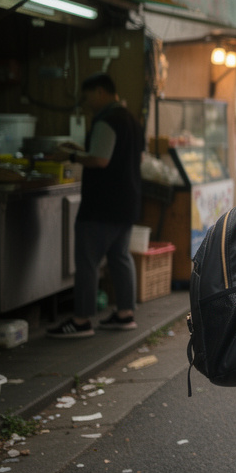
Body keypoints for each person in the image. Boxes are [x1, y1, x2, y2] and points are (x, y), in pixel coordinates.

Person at [48, 74, 144, 338]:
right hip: (127, 202)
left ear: (100, 92)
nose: (87, 103)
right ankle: (125, 314)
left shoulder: (108, 119)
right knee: (120, 257)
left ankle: (81, 320)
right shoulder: (132, 120)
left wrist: (70, 155)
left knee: (88, 261)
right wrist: (84, 150)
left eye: (88, 96)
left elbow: (100, 160)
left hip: (102, 204)